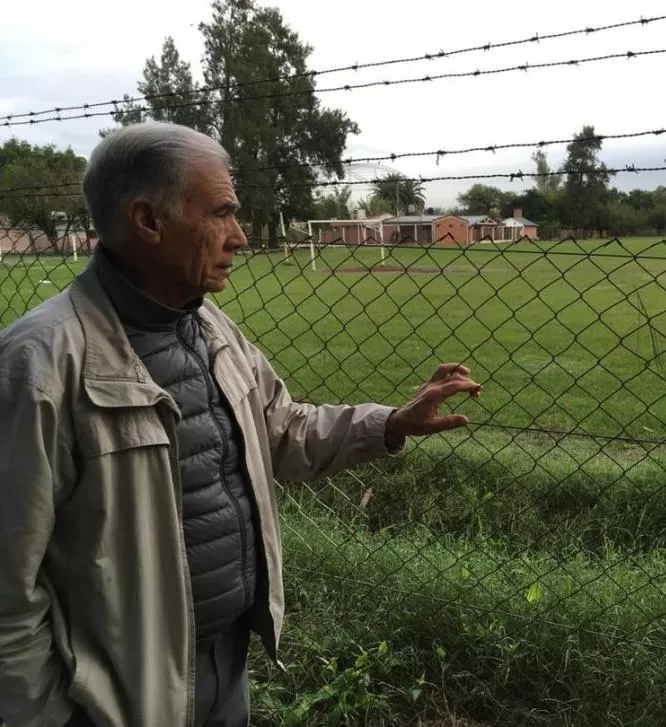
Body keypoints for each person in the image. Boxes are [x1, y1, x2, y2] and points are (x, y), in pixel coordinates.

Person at [0, 121, 482, 727]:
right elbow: (8, 590)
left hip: (227, 665)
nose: (241, 237)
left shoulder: (211, 328)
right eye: (222, 213)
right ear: (149, 222)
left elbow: (282, 429)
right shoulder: (39, 368)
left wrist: (390, 424)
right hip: (112, 697)